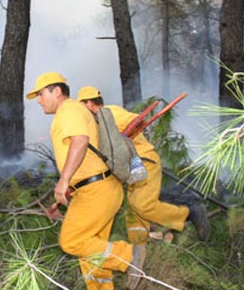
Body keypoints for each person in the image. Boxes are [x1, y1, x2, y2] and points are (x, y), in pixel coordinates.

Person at [26, 72, 145, 290]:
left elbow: (80, 142)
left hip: (96, 190)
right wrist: (61, 197)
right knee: (91, 253)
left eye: (41, 94)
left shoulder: (69, 109)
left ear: (57, 91)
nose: (39, 100)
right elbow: (84, 163)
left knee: (71, 241)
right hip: (98, 188)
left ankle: (128, 255)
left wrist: (63, 180)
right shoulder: (72, 112)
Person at [76, 86, 211, 243]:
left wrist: (125, 133)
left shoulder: (109, 113)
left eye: (82, 106)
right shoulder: (98, 122)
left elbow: (135, 120)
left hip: (142, 161)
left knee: (143, 205)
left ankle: (190, 213)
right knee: (133, 211)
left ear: (90, 103)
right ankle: (138, 248)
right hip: (130, 167)